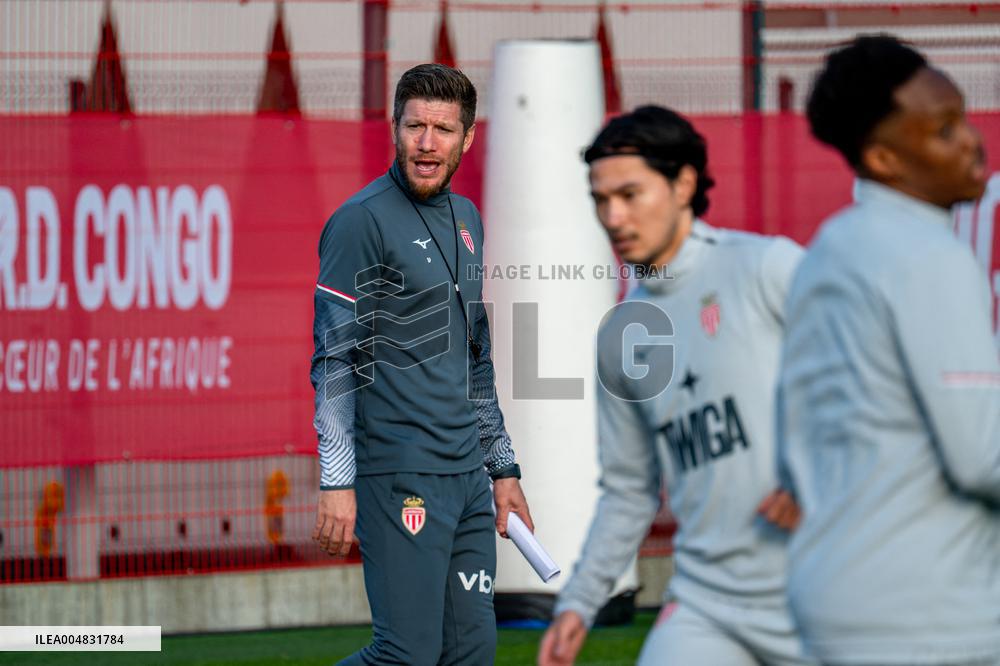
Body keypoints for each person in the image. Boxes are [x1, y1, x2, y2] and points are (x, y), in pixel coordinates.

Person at [538, 105, 814, 666]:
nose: (613, 216)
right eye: (600, 199)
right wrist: (578, 602)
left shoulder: (767, 269)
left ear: (684, 183)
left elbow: (878, 372)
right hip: (708, 602)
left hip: (822, 589)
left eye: (630, 194)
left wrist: (812, 473)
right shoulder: (620, 335)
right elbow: (629, 488)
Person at [777, 35, 1000, 666]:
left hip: (841, 593)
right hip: (925, 612)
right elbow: (983, 458)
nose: (971, 141)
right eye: (943, 130)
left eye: (962, 117)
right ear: (883, 158)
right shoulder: (927, 256)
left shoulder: (835, 246)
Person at [309, 63, 533, 665]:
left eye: (442, 129)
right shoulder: (360, 221)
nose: (427, 143)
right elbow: (333, 360)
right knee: (405, 655)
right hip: (399, 476)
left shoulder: (468, 221)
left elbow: (475, 357)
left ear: (468, 138)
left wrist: (503, 469)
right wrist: (337, 482)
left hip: (467, 482)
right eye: (415, 127)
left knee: (472, 654)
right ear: (395, 128)